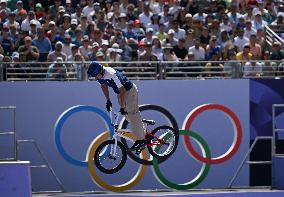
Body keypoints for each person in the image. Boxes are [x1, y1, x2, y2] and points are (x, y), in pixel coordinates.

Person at [87, 61, 146, 151]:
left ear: (100, 71)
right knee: (128, 116)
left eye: (95, 75)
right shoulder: (100, 75)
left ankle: (141, 140)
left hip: (129, 90)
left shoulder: (111, 74)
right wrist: (108, 100)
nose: (95, 78)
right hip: (120, 93)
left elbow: (122, 90)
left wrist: (122, 107)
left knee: (131, 113)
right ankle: (141, 126)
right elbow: (104, 86)